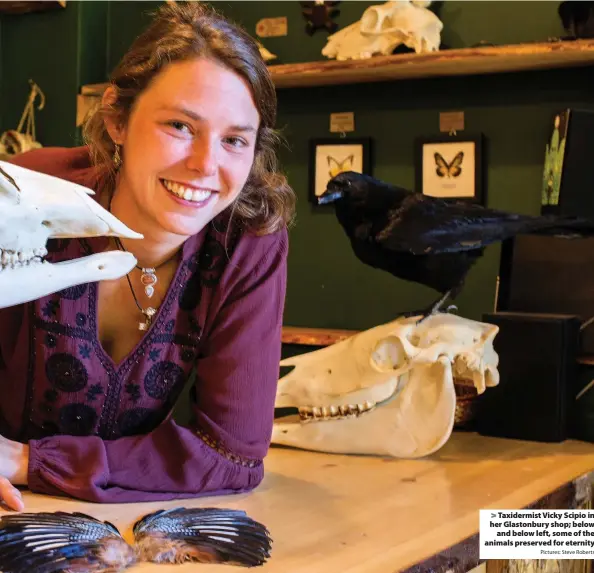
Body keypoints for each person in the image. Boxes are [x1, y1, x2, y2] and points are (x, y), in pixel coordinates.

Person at [0, 1, 295, 510]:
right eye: (180, 126)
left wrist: (28, 461)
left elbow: (234, 457)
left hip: (113, 520)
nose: (206, 165)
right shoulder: (25, 192)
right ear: (117, 118)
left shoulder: (249, 241)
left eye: (234, 140)